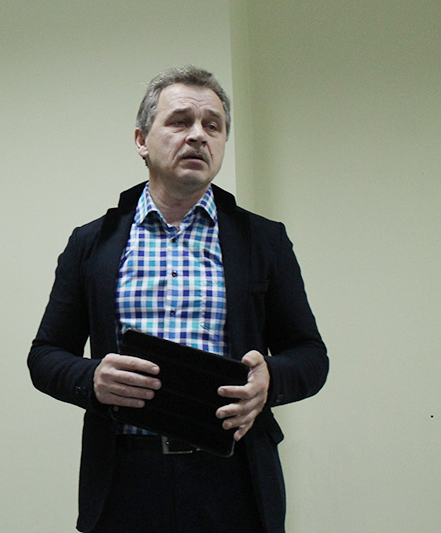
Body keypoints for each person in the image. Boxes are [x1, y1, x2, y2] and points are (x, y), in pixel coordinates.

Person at [27, 66, 328, 532]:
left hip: (234, 479)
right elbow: (45, 356)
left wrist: (270, 380)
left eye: (213, 126)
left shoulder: (262, 240)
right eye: (180, 121)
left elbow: (310, 355)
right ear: (141, 140)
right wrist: (92, 378)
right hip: (125, 478)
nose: (198, 135)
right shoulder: (92, 243)